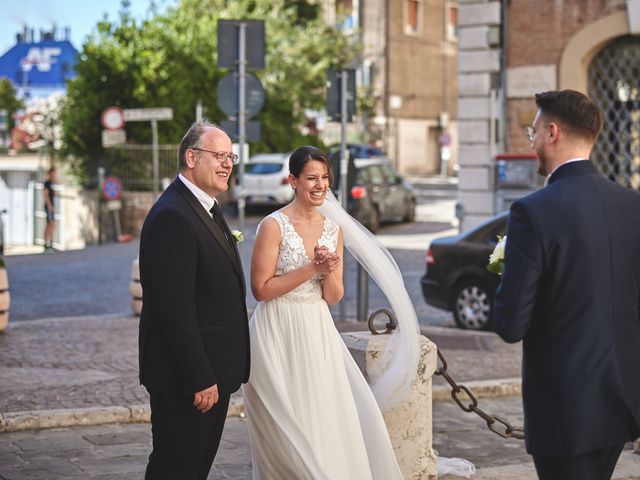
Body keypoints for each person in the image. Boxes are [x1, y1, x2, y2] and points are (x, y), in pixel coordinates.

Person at [242, 146, 420, 479]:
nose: (320, 185)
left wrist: (327, 270)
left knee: (319, 416)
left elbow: (334, 297)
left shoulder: (332, 229)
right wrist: (311, 267)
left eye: (325, 178)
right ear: (293, 181)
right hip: (275, 331)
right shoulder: (272, 225)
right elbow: (261, 290)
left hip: (316, 329)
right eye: (311, 178)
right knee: (284, 427)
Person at [493, 90, 640, 480]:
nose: (533, 140)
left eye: (534, 131)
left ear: (552, 132)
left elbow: (510, 325)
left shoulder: (532, 212)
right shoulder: (631, 205)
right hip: (621, 399)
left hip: (565, 409)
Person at [138, 121, 250, 480]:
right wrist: (200, 377)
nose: (227, 163)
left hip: (211, 374)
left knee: (194, 469)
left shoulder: (206, 206)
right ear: (191, 156)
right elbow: (176, 310)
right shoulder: (173, 215)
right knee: (174, 468)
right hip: (186, 380)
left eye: (230, 157)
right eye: (219, 155)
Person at [43, 167, 57, 252]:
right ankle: (46, 245)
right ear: (50, 173)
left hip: (51, 207)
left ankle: (51, 244)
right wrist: (50, 206)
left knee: (52, 225)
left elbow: (52, 195)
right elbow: (45, 194)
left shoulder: (52, 183)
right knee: (49, 225)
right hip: (49, 207)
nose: (54, 175)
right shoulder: (47, 183)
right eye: (53, 173)